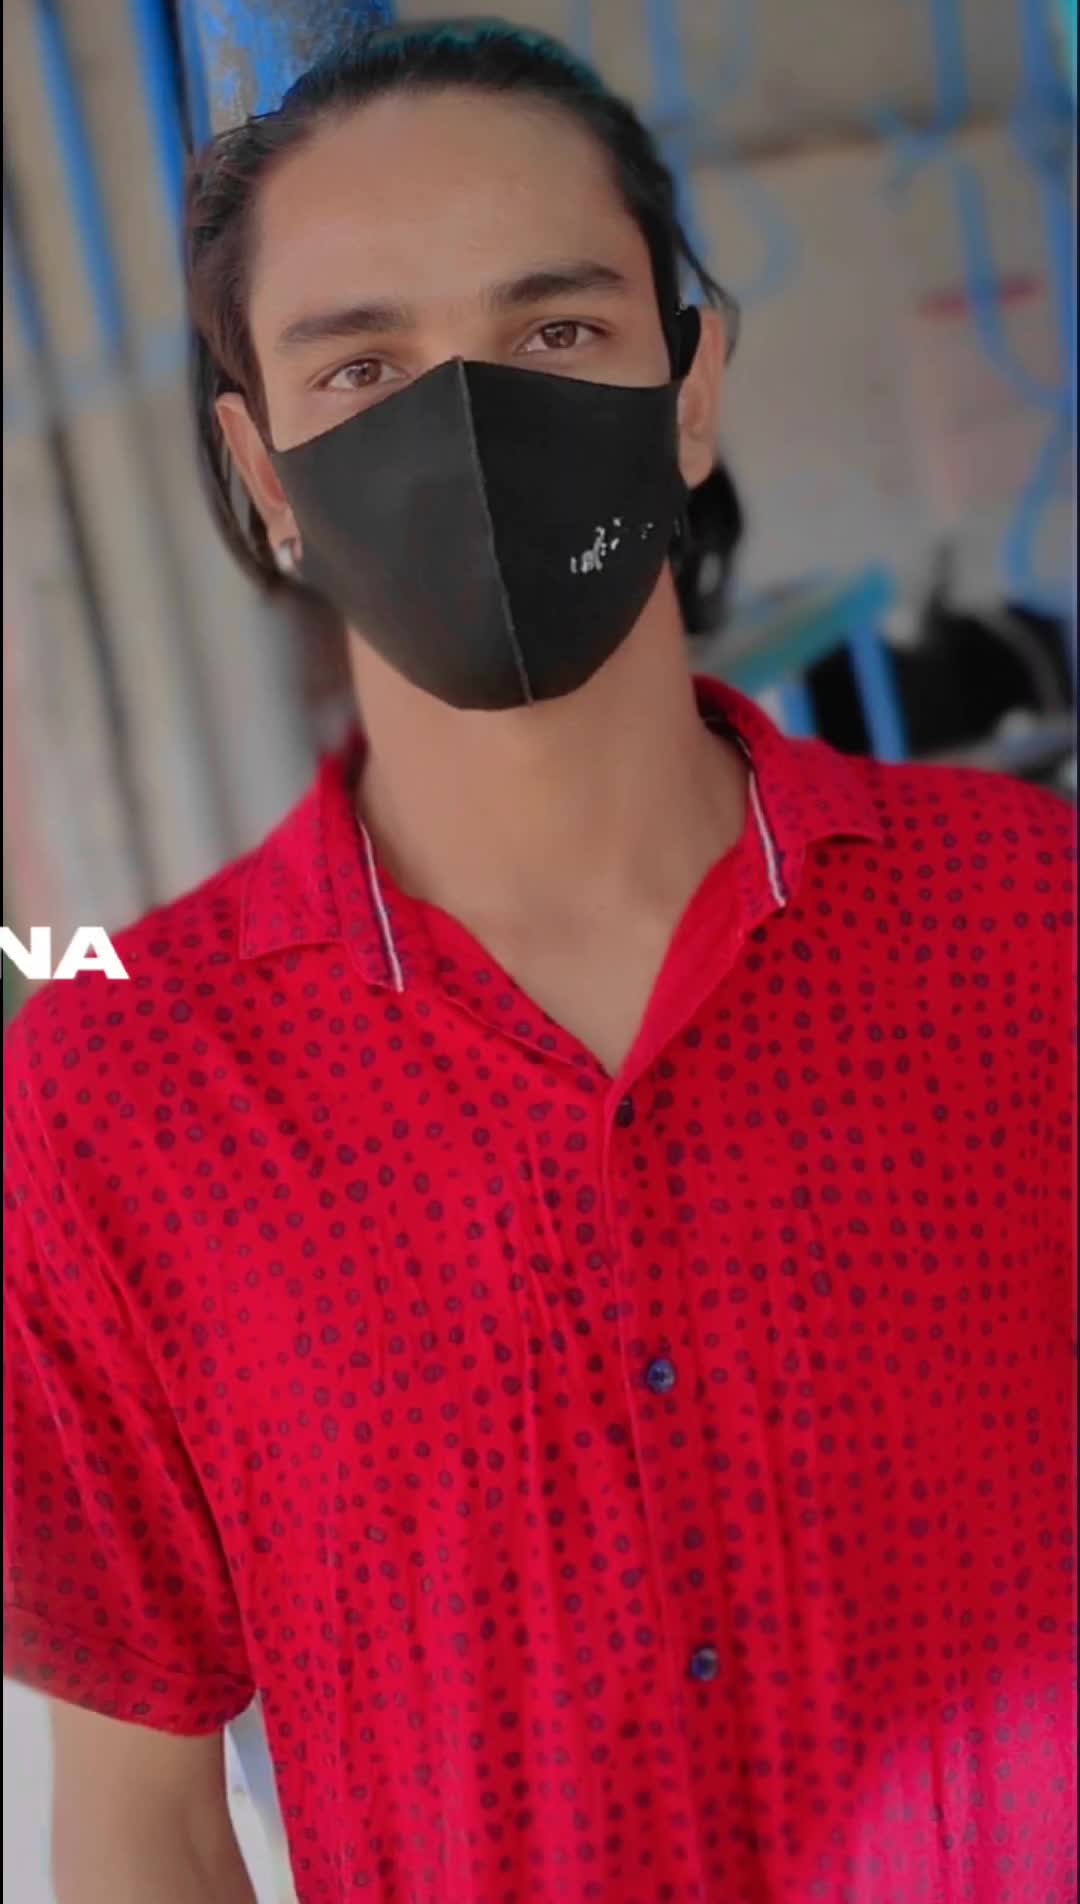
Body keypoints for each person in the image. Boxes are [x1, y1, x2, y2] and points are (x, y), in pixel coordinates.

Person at [3, 19, 1076, 1904]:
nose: (466, 422)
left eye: (558, 329)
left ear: (689, 389)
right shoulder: (123, 1099)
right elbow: (144, 1820)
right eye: (362, 365)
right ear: (261, 469)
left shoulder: (1032, 930)